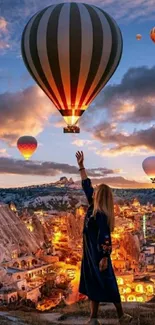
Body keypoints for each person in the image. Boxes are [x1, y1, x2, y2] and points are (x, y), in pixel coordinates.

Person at [76, 151, 133, 325]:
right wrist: (81, 166)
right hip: (91, 253)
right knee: (94, 283)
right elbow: (87, 185)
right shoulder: (93, 207)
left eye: (96, 192)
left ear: (99, 196)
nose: (92, 193)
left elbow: (106, 237)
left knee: (108, 283)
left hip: (98, 255)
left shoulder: (100, 214)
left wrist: (105, 257)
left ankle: (121, 316)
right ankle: (93, 318)